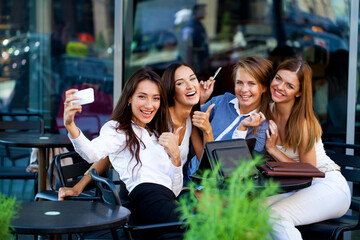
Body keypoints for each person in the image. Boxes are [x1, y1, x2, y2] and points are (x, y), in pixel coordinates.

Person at [58, 63, 214, 198]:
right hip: (145, 194)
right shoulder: (155, 118)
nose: (190, 85)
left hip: (173, 189)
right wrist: (79, 186)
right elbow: (111, 150)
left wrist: (207, 130)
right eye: (180, 83)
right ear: (171, 90)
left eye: (193, 79)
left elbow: (207, 166)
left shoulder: (189, 118)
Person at [63, 68, 184, 232]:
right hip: (145, 199)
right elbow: (91, 154)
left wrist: (176, 157)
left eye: (155, 98)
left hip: (166, 201)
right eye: (142, 97)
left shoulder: (157, 135)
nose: (149, 105)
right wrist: (70, 125)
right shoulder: (118, 130)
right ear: (129, 98)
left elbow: (174, 190)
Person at [265, 58, 351, 239]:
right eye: (278, 78)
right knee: (251, 210)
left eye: (289, 85)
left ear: (299, 92)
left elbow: (309, 172)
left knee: (276, 217)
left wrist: (273, 150)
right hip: (299, 187)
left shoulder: (302, 122)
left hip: (327, 184)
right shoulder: (267, 111)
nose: (280, 87)